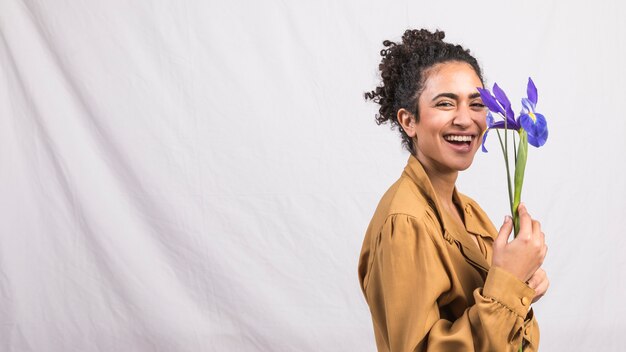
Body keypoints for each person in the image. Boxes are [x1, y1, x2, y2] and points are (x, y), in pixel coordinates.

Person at [357, 29, 549, 351]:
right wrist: (507, 287)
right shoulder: (405, 223)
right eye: (445, 103)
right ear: (408, 121)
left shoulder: (469, 212)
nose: (465, 119)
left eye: (476, 104)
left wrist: (520, 289)